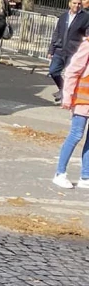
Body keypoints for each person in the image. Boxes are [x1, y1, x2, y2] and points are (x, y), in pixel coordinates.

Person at [54, 32, 89, 189]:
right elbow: (72, 71)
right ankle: (60, 173)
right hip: (82, 99)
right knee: (76, 135)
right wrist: (67, 96)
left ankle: (85, 176)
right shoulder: (87, 45)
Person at [48, 0, 88, 104]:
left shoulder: (85, 17)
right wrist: (51, 49)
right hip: (60, 49)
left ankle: (68, 97)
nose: (77, 5)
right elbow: (56, 32)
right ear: (69, 4)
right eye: (74, 3)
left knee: (71, 75)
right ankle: (63, 89)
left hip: (74, 51)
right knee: (53, 71)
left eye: (79, 4)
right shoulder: (64, 16)